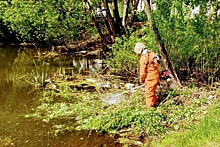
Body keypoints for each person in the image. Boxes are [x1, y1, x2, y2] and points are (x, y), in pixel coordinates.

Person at [134, 42, 160, 109]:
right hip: (156, 76)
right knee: (152, 91)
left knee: (148, 94)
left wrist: (141, 80)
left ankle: (149, 110)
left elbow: (142, 72)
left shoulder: (143, 58)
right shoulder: (151, 53)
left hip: (150, 78)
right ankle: (154, 103)